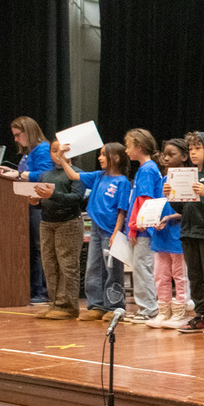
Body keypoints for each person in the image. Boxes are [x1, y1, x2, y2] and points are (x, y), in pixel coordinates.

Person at [165, 132, 204, 335]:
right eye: (190, 149)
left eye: (198, 148)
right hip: (188, 232)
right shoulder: (188, 174)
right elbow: (183, 207)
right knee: (195, 276)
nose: (193, 153)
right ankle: (201, 315)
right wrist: (172, 196)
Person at [59, 143, 131, 321]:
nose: (99, 158)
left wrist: (116, 232)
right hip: (97, 230)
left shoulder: (122, 181)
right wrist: (62, 158)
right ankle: (96, 305)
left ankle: (115, 307)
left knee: (112, 269)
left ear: (115, 158)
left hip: (111, 231)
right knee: (93, 268)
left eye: (103, 154)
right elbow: (73, 175)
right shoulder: (98, 176)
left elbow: (122, 210)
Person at [0, 116, 53, 303]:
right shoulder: (28, 153)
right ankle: (31, 289)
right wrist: (7, 172)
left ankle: (42, 292)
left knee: (39, 249)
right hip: (24, 206)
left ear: (29, 131)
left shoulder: (43, 149)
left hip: (38, 206)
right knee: (31, 249)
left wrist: (19, 174)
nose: (15, 139)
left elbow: (46, 175)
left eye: (18, 135)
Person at [28, 141, 84, 319]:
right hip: (47, 223)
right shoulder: (45, 174)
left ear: (70, 153)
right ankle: (54, 303)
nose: (58, 154)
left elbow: (76, 197)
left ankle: (67, 306)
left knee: (67, 265)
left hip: (68, 222)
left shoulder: (76, 173)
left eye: (62, 151)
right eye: (54, 151)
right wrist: (36, 202)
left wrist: (53, 195)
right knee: (50, 264)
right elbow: (45, 201)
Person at [147, 138, 192, 329]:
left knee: (179, 275)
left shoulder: (189, 179)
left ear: (184, 157)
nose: (166, 158)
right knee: (161, 275)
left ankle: (180, 311)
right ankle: (163, 311)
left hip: (178, 235)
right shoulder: (163, 179)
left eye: (171, 154)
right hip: (161, 234)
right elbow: (157, 203)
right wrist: (152, 218)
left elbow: (189, 208)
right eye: (165, 154)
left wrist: (171, 217)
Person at [124, 129, 163, 322]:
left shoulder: (147, 169)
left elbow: (144, 201)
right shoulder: (144, 169)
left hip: (144, 231)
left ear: (139, 146)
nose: (126, 150)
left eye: (129, 146)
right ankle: (145, 307)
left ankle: (148, 309)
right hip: (142, 229)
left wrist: (133, 227)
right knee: (140, 267)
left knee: (142, 267)